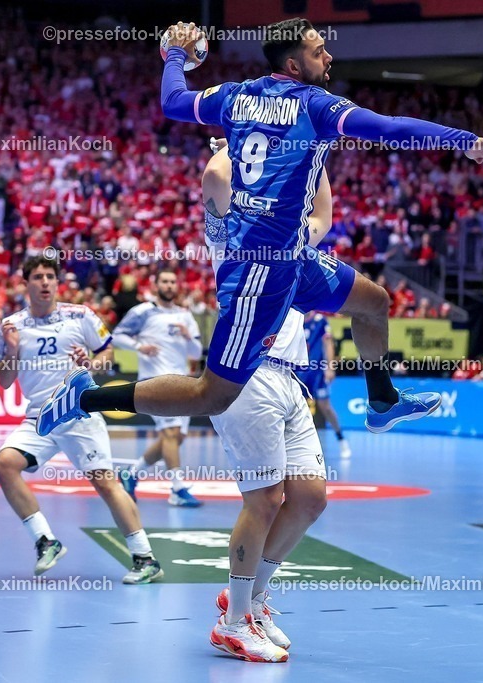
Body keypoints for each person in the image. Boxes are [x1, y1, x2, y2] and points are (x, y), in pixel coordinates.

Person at [35, 18, 483, 438]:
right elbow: (388, 129)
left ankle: (383, 401)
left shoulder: (234, 96)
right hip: (257, 270)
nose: (329, 56)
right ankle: (84, 397)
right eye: (318, 50)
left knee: (373, 303)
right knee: (212, 395)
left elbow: (174, 102)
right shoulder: (316, 106)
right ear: (294, 64)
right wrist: (465, 141)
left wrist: (175, 56)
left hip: (293, 257)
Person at [202, 139, 330, 663]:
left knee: (310, 496)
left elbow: (322, 210)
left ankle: (250, 597)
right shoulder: (231, 232)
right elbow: (214, 178)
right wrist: (234, 143)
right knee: (265, 500)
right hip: (247, 375)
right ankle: (232, 624)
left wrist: (313, 151)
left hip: (290, 378)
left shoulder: (299, 233)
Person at [0, 256, 162, 583]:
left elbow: (108, 355)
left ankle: (145, 558)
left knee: (105, 483)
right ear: (25, 283)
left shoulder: (80, 315)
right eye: (37, 276)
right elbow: (3, 380)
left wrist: (92, 365)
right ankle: (46, 541)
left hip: (78, 411)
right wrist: (12, 350)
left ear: (57, 283)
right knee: (4, 464)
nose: (44, 282)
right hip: (40, 417)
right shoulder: (11, 326)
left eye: (50, 277)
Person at [113, 267, 204, 507]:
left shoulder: (185, 316)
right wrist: (139, 347)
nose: (169, 286)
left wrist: (187, 336)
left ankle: (131, 473)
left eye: (173, 282)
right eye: (164, 281)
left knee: (176, 437)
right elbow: (117, 336)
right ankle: (177, 489)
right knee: (171, 434)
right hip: (154, 382)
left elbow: (196, 351)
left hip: (181, 384)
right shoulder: (142, 312)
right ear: (155, 285)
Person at [296, 310, 351, 458]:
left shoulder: (320, 320)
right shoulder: (294, 317)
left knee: (325, 407)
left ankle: (341, 439)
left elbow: (328, 344)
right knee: (293, 407)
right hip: (298, 370)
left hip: (317, 371)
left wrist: (330, 367)